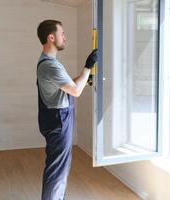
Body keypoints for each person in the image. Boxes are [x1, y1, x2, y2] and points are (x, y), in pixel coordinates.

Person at [36, 19, 98, 200]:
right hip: (58, 120)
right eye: (62, 33)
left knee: (60, 166)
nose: (65, 37)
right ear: (51, 37)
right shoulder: (50, 65)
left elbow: (70, 85)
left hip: (55, 118)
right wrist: (88, 65)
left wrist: (85, 77)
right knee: (57, 170)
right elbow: (75, 91)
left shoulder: (48, 62)